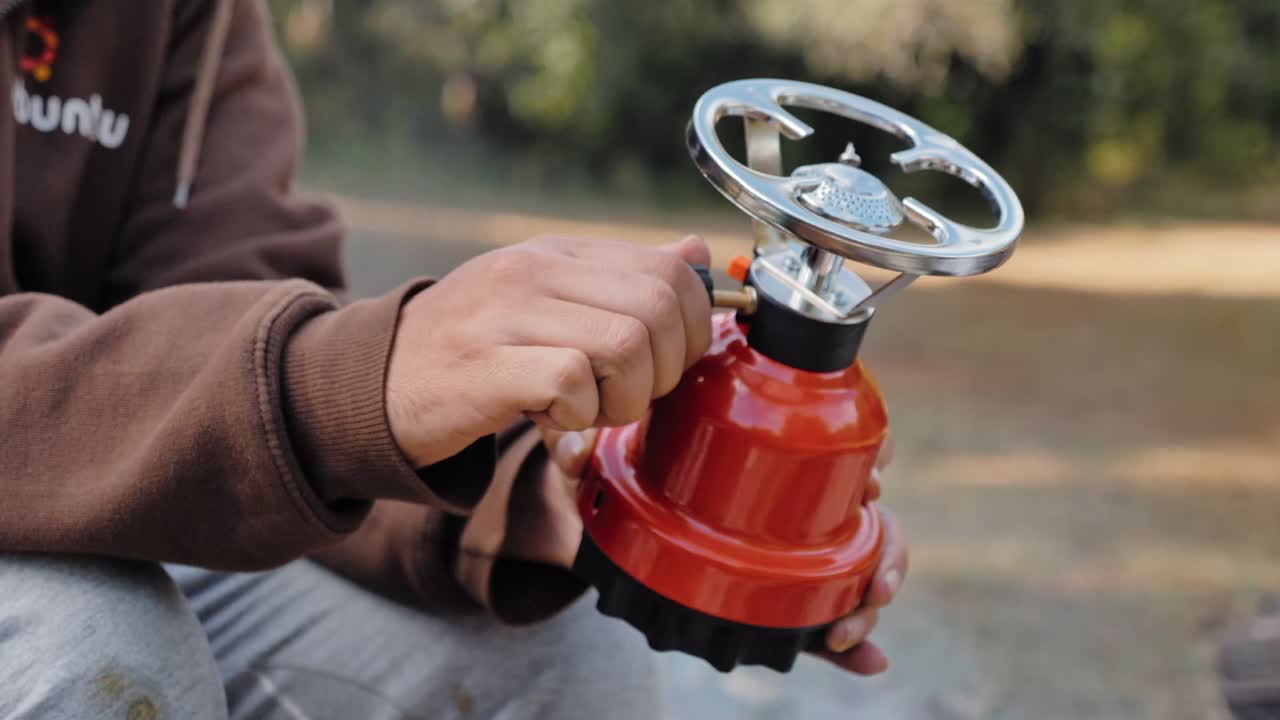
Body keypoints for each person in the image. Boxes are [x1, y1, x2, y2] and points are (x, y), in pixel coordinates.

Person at [0, 0, 910, 717]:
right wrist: (350, 375)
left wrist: (535, 500)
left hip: (91, 489)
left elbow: (231, 322)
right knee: (99, 650)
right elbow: (301, 383)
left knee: (553, 654)